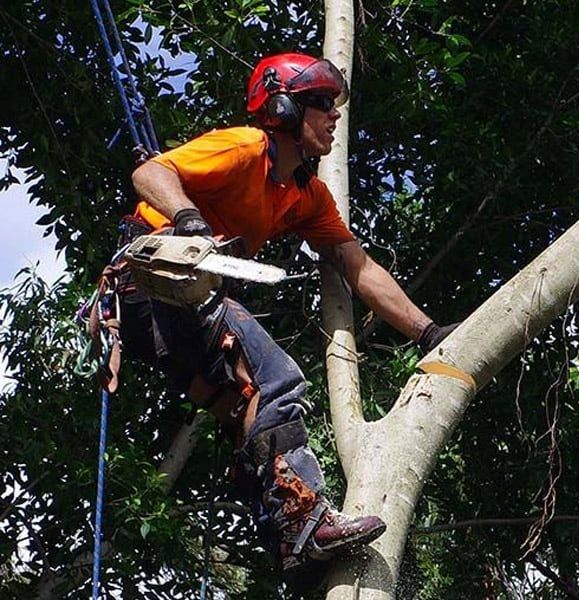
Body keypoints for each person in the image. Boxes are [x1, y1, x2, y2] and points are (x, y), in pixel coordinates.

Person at [119, 52, 456, 586]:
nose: (334, 117)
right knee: (278, 379)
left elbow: (356, 264)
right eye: (323, 105)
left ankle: (288, 543)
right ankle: (304, 519)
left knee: (247, 411)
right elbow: (150, 170)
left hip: (185, 315)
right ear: (283, 107)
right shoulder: (245, 147)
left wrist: (428, 332)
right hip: (151, 285)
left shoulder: (304, 195)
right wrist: (187, 219)